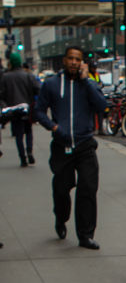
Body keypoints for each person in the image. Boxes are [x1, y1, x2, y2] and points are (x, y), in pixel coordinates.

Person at [35, 44, 109, 248]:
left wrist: (87, 81)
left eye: (78, 59)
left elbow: (102, 106)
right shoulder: (51, 84)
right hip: (62, 145)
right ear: (64, 61)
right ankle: (60, 218)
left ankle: (85, 235)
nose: (74, 63)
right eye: (71, 59)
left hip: (85, 145)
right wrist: (54, 127)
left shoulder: (89, 84)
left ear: (82, 62)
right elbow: (39, 112)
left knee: (88, 189)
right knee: (61, 189)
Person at [0, 52, 38, 167]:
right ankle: (29, 151)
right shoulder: (28, 75)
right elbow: (37, 88)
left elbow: (1, 94)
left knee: (19, 134)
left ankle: (22, 157)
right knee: (28, 131)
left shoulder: (6, 77)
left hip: (14, 109)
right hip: (27, 107)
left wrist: (5, 106)